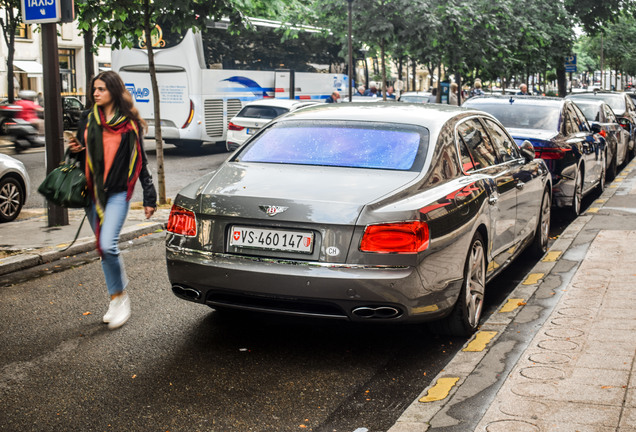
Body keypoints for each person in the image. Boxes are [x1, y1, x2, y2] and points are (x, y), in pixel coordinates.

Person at [68, 70, 157, 330]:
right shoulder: (87, 119)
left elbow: (140, 161)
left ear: (113, 92)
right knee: (103, 248)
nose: (95, 94)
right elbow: (80, 155)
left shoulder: (129, 124)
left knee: (108, 244)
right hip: (93, 192)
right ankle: (116, 299)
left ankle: (121, 298)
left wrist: (149, 197)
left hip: (118, 192)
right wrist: (76, 150)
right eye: (93, 89)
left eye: (101, 89)